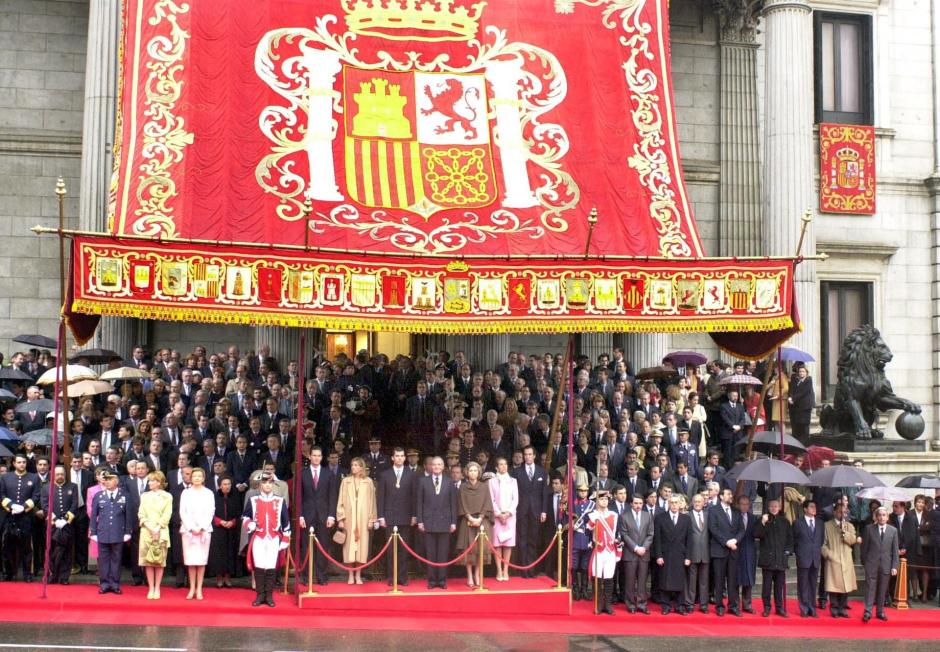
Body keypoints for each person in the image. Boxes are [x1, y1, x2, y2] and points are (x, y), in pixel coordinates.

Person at [243, 471, 290, 607]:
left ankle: (269, 595)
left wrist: (285, 539)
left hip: (274, 538)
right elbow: (245, 517)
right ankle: (260, 595)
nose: (268, 485)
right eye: (265, 483)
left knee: (271, 567)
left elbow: (286, 522)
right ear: (260, 485)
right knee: (259, 567)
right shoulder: (253, 500)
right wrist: (250, 524)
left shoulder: (280, 501)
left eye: (270, 483)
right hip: (258, 537)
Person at [376, 446, 416, 587]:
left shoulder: (411, 474)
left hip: (406, 517)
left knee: (404, 550)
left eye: (401, 456)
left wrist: (414, 515)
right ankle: (392, 577)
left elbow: (414, 497)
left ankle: (403, 577)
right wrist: (381, 516)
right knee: (391, 550)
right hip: (389, 517)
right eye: (397, 456)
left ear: (405, 458)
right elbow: (380, 497)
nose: (399, 458)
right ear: (393, 458)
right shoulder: (385, 474)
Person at [415, 456, 458, 589]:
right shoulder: (423, 481)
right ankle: (432, 581)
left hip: (445, 522)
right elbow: (419, 502)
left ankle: (442, 580)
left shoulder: (449, 482)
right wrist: (420, 521)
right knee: (431, 553)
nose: (436, 467)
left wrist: (453, 522)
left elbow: (453, 503)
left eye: (439, 464)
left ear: (443, 467)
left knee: (443, 553)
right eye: (434, 464)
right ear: (430, 466)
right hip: (428, 522)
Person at [300, 446, 338, 586]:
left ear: (322, 458)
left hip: (324, 516)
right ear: (309, 456)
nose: (316, 458)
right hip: (307, 515)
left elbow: (332, 496)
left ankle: (321, 576)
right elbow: (299, 497)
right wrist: (300, 516)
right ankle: (306, 576)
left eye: (319, 456)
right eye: (314, 455)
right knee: (306, 547)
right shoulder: (303, 473)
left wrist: (331, 516)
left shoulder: (328, 474)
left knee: (323, 546)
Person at [89, 470, 133, 594]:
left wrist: (127, 532)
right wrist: (93, 532)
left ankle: (114, 584)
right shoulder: (99, 496)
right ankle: (104, 584)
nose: (107, 482)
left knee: (116, 560)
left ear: (117, 481)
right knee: (103, 560)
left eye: (110, 479)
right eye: (106, 479)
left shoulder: (125, 495)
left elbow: (128, 515)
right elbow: (93, 515)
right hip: (103, 532)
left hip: (118, 533)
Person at [335, 457, 377, 585]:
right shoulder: (346, 481)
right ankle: (350, 575)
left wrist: (371, 519)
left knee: (361, 548)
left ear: (361, 467)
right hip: (349, 519)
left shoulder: (368, 482)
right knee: (349, 548)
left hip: (363, 520)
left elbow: (372, 502)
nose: (353, 467)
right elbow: (340, 501)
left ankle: (358, 575)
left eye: (356, 465)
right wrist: (341, 518)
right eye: (352, 465)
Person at [0, 453, 40, 581]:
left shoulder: (34, 477)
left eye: (24, 462)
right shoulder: (5, 477)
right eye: (19, 462)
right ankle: (8, 573)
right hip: (9, 516)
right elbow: (1, 495)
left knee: (27, 546)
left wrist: (24, 507)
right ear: (14, 463)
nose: (22, 464)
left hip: (25, 517)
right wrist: (11, 506)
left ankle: (27, 574)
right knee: (7, 546)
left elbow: (36, 495)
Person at [511, 445, 547, 578]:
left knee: (533, 540)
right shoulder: (516, 472)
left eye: (530, 454)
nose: (527, 457)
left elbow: (544, 492)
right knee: (522, 540)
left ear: (534, 456)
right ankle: (523, 570)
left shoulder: (542, 471)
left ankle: (532, 569)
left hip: (536, 511)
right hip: (521, 510)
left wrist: (544, 511)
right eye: (525, 454)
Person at [708, 487, 745, 616]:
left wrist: (735, 540)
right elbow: (713, 529)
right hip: (719, 550)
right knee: (719, 580)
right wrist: (726, 542)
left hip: (733, 551)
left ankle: (733, 606)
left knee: (733, 580)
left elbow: (741, 529)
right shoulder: (713, 510)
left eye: (731, 494)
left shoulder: (736, 511)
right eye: (728, 494)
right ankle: (719, 606)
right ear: (721, 496)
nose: (731, 496)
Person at [180, 466, 215, 600]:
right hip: (188, 530)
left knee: (201, 561)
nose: (197, 478)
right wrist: (191, 527)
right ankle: (192, 588)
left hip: (204, 530)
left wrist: (201, 527)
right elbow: (182, 512)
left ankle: (199, 588)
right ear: (191, 478)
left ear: (203, 478)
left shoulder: (208, 493)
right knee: (190, 561)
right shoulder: (186, 493)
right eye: (194, 476)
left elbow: (211, 511)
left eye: (199, 476)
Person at [456, 461, 493, 587]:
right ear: (467, 472)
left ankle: (477, 574)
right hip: (467, 521)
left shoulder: (484, 487)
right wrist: (470, 517)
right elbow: (461, 503)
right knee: (469, 550)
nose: (473, 473)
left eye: (475, 470)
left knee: (480, 550)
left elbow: (487, 503)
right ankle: (469, 576)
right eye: (471, 470)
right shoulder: (463, 487)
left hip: (481, 522)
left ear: (478, 472)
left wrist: (480, 518)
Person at [652, 495, 691, 614]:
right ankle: (666, 606)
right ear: (668, 504)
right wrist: (658, 555)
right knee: (665, 580)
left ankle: (680, 606)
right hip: (666, 554)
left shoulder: (686, 519)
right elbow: (657, 539)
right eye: (672, 502)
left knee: (680, 580)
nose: (674, 505)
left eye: (676, 503)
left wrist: (688, 557)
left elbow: (689, 539)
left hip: (680, 555)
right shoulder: (660, 518)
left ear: (680, 504)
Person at [821, 501, 860, 618]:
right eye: (840, 512)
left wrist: (844, 533)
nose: (842, 515)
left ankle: (842, 608)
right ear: (834, 512)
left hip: (846, 559)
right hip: (833, 559)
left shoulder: (849, 526)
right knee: (834, 585)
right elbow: (823, 545)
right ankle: (834, 608)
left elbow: (853, 540)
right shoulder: (827, 525)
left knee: (845, 585)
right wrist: (829, 555)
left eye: (844, 512)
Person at [754, 498, 792, 617]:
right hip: (768, 560)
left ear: (779, 507)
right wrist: (763, 522)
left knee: (779, 586)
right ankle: (766, 607)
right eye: (771, 506)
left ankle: (779, 608)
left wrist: (787, 552)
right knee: (766, 587)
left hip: (780, 559)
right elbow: (757, 534)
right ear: (768, 507)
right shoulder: (763, 519)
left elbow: (790, 539)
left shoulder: (785, 521)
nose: (774, 508)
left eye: (776, 506)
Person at [861, 506, 900, 622]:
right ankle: (867, 612)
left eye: (884, 515)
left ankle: (880, 611)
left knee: (883, 590)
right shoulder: (869, 529)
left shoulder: (893, 531)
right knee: (870, 588)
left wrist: (894, 566)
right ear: (876, 517)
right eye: (880, 515)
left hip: (886, 564)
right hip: (871, 564)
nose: (882, 517)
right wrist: (865, 563)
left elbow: (895, 550)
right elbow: (864, 548)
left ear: (887, 517)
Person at [138, 470, 172, 599]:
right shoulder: (144, 496)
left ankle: (157, 587)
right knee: (148, 561)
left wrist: (157, 528)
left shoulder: (167, 496)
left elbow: (167, 514)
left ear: (159, 482)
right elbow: (141, 513)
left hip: (161, 531)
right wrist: (149, 527)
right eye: (149, 480)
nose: (149, 483)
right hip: (147, 531)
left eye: (152, 481)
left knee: (159, 560)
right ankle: (151, 588)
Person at [42, 464, 78, 585]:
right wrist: (55, 520)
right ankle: (53, 575)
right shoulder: (46, 487)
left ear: (65, 474)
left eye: (62, 474)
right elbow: (45, 505)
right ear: (53, 475)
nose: (60, 476)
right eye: (57, 474)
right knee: (52, 550)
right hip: (53, 525)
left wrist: (65, 520)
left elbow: (74, 504)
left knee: (67, 552)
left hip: (67, 525)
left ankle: (64, 577)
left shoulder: (73, 486)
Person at [586, 489, 620, 615]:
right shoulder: (592, 515)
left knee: (609, 578)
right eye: (601, 499)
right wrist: (593, 519)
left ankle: (608, 605)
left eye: (606, 499)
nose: (604, 501)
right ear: (597, 501)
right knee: (598, 578)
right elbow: (588, 529)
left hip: (610, 550)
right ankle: (599, 604)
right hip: (598, 550)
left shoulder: (614, 515)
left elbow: (617, 532)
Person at [618, 493, 653, 614]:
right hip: (630, 553)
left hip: (644, 553)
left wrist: (644, 547)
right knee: (630, 581)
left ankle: (642, 604)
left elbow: (650, 534)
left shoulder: (648, 516)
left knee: (642, 581)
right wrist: (635, 548)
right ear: (631, 504)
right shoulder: (624, 516)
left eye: (640, 503)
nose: (638, 506)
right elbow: (624, 535)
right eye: (636, 503)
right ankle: (631, 604)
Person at [792, 498, 824, 618]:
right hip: (803, 556)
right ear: (805, 509)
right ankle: (804, 608)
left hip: (815, 557)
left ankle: (812, 607)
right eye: (811, 507)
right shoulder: (798, 523)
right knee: (803, 584)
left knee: (813, 584)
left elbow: (821, 540)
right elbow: (794, 540)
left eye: (815, 507)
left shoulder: (820, 523)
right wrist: (799, 553)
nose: (814, 509)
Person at [488, 456, 517, 582]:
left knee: (508, 544)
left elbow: (515, 499)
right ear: (496, 467)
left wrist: (508, 513)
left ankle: (506, 570)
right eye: (501, 464)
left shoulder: (513, 481)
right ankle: (499, 570)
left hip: (510, 517)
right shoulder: (491, 482)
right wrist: (499, 514)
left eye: (505, 464)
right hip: (497, 517)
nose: (504, 466)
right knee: (497, 544)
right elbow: (491, 500)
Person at [208, 476, 241, 589]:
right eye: (225, 484)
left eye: (229, 484)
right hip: (218, 529)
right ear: (220, 486)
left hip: (231, 530)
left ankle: (227, 577)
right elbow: (210, 513)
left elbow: (239, 513)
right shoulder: (214, 496)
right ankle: (219, 577)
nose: (227, 486)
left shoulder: (235, 497)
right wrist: (220, 521)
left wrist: (233, 522)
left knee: (230, 553)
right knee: (219, 553)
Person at [684, 493, 710, 614]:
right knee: (691, 580)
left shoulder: (708, 515)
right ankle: (689, 603)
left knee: (704, 581)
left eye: (700, 501)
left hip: (705, 553)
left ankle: (704, 605)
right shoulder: (687, 516)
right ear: (692, 503)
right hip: (692, 553)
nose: (697, 504)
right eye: (695, 501)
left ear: (704, 503)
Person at [735, 494, 758, 613]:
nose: (744, 506)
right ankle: (735, 605)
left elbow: (757, 534)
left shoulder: (753, 518)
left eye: (746, 504)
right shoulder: (734, 516)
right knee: (735, 579)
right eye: (742, 504)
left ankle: (747, 604)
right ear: (738, 505)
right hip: (736, 551)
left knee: (748, 579)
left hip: (749, 551)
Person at [570, 483, 593, 601]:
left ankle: (584, 589)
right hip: (576, 537)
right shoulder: (573, 505)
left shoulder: (592, 505)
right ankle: (575, 589)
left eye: (585, 491)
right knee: (574, 565)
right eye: (581, 491)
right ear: (577, 491)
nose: (583, 493)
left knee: (585, 565)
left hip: (587, 537)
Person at [788, 365, 814, 442]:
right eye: (800, 371)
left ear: (806, 373)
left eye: (803, 371)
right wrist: (790, 397)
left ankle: (806, 442)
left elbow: (803, 392)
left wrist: (793, 399)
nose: (801, 373)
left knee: (805, 425)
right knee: (798, 425)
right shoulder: (798, 381)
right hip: (798, 406)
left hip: (805, 407)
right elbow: (793, 390)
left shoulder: (808, 380)